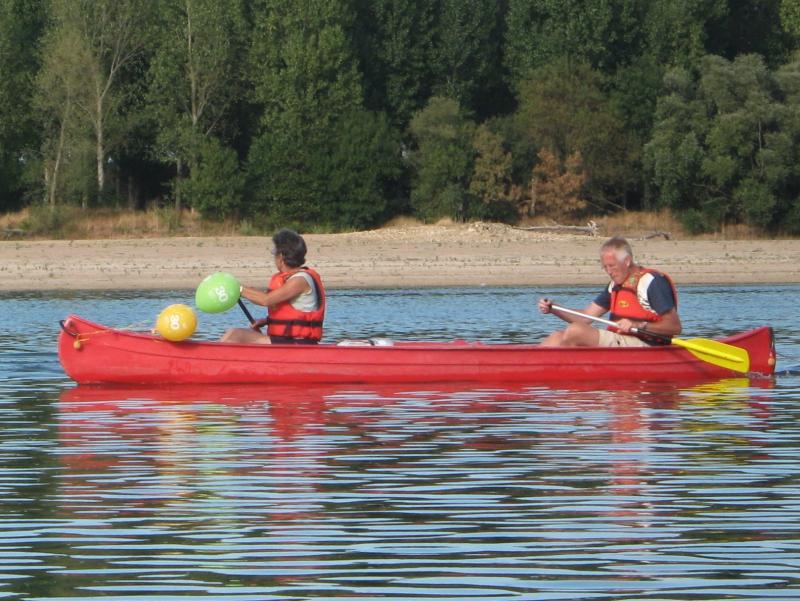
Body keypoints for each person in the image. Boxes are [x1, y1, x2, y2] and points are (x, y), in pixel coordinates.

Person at [538, 236, 681, 347]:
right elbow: (586, 317)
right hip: (622, 341)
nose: (609, 271)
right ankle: (536, 365)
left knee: (576, 331)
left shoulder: (652, 282)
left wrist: (638, 325)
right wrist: (554, 308)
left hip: (648, 345)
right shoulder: (615, 285)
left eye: (612, 266)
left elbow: (674, 327)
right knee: (557, 336)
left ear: (627, 261)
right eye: (605, 267)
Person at [221, 229, 325, 344]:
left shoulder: (300, 280)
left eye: (274, 252)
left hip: (298, 343)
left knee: (235, 335)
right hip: (287, 341)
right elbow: (271, 300)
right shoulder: (291, 278)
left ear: (281, 257)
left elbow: (266, 300)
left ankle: (214, 355)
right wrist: (267, 321)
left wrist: (237, 288)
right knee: (233, 334)